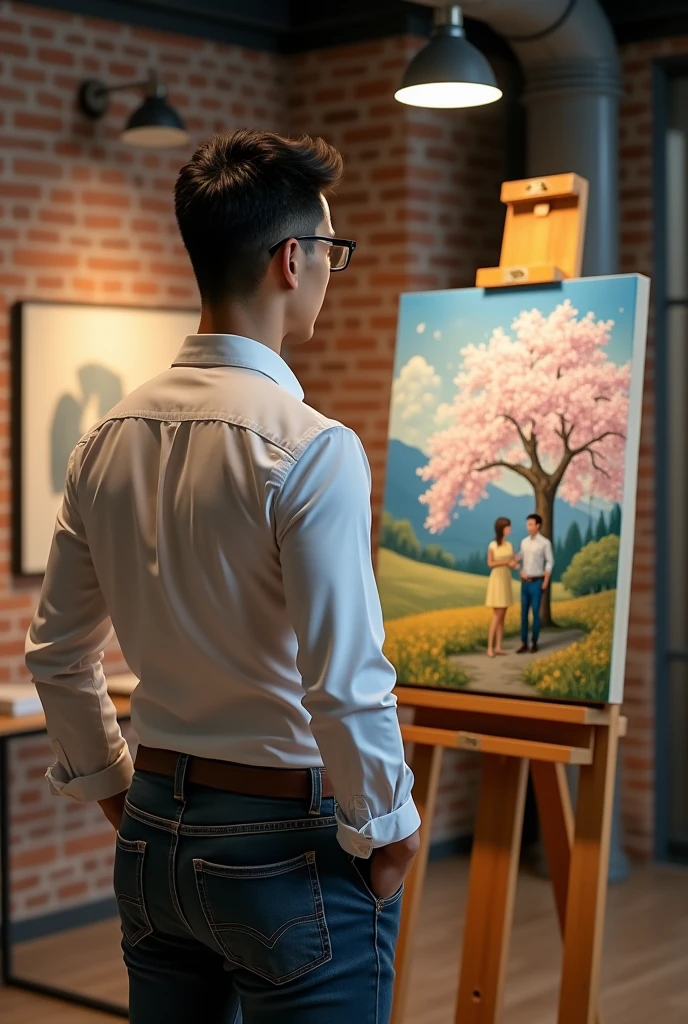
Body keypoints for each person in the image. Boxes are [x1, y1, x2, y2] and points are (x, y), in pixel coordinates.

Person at [24, 129, 421, 1024]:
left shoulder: (105, 440)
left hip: (155, 828)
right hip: (286, 839)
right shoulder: (312, 448)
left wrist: (120, 792)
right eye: (330, 252)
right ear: (292, 259)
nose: (330, 271)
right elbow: (346, 682)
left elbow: (55, 657)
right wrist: (389, 832)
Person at [517, 513, 554, 654]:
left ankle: (534, 642)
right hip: (525, 582)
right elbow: (520, 557)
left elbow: (550, 562)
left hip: (537, 582)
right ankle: (523, 642)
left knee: (535, 613)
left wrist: (545, 581)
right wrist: (519, 570)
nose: (528, 527)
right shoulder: (524, 542)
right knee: (523, 613)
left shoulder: (545, 543)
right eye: (528, 524)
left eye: (531, 524)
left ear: (538, 526)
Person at [484, 517, 518, 657]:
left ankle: (498, 646)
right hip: (497, 579)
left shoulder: (509, 545)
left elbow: (512, 562)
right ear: (501, 528)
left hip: (506, 579)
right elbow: (490, 563)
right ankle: (489, 647)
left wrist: (514, 564)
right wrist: (505, 562)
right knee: (497, 615)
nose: (509, 529)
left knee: (503, 615)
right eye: (507, 527)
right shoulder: (492, 545)